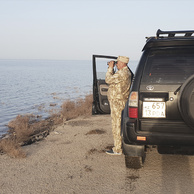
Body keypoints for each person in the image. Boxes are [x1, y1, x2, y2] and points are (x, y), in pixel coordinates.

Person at [105, 56, 131, 155]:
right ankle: (120, 145)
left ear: (122, 63)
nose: (116, 64)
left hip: (117, 103)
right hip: (120, 101)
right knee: (119, 124)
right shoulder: (125, 72)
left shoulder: (122, 73)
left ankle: (117, 149)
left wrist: (110, 68)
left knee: (116, 125)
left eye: (117, 63)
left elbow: (108, 80)